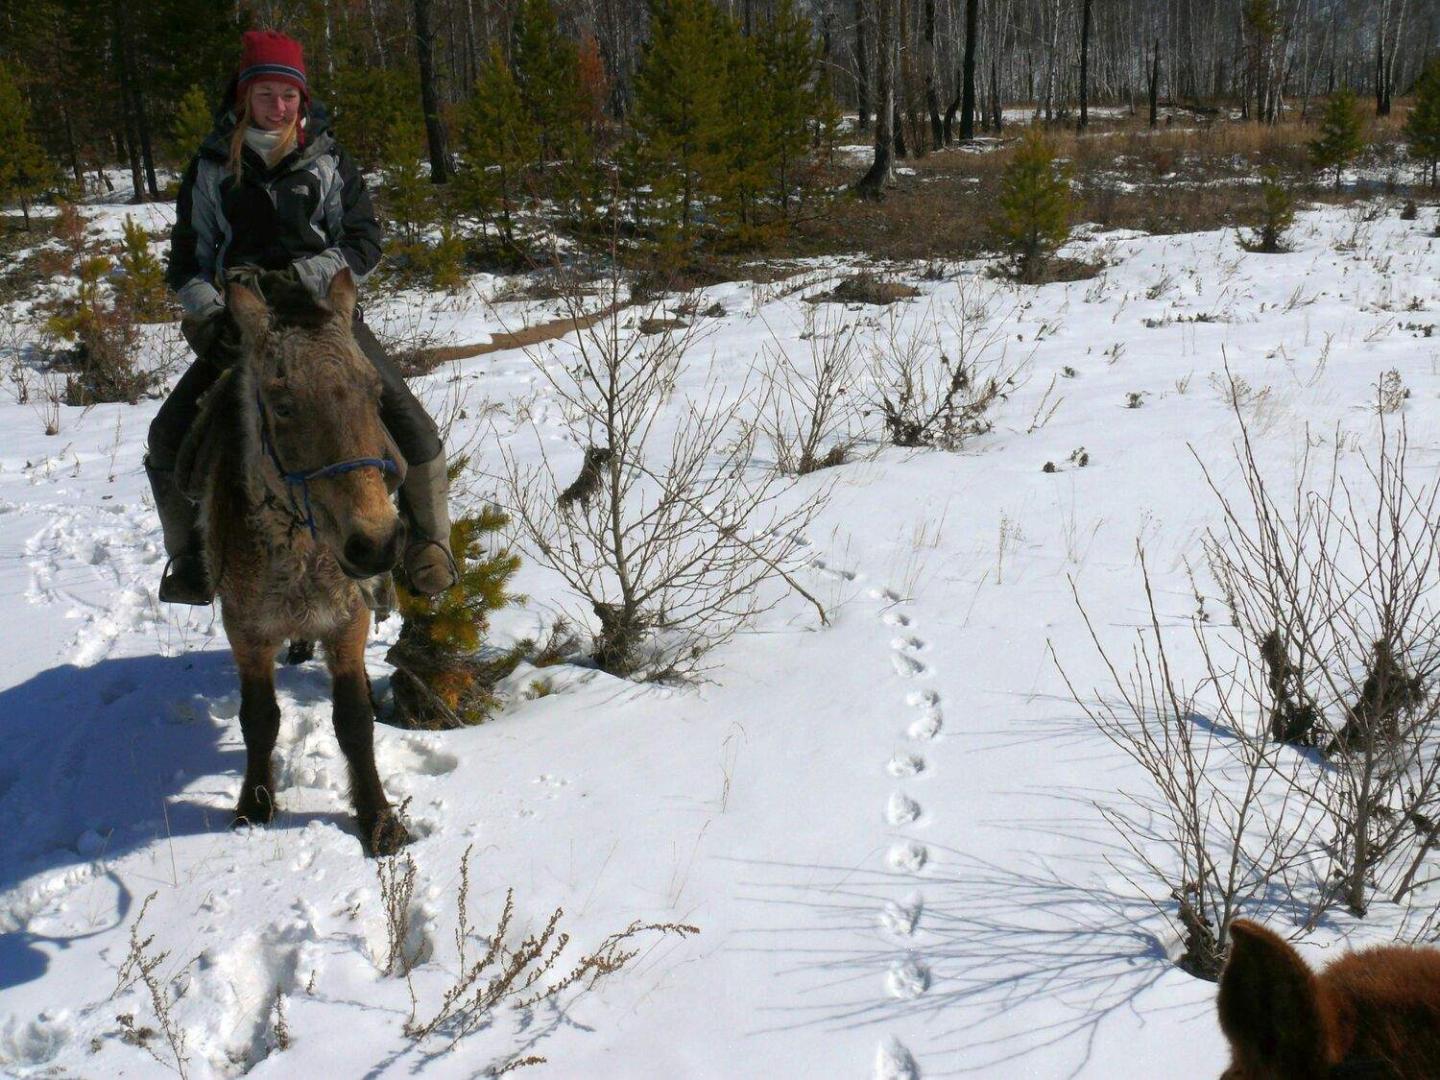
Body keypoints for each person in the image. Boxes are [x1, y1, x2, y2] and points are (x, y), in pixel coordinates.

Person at [146, 29, 458, 604]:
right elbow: (188, 260)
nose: (279, 105)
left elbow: (363, 243)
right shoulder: (213, 165)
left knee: (409, 422)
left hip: (324, 318)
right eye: (266, 93)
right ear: (244, 97)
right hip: (242, 325)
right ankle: (191, 558)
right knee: (168, 437)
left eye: (289, 94)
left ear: (302, 98)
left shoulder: (330, 159)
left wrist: (305, 276)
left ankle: (428, 547)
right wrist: (212, 315)